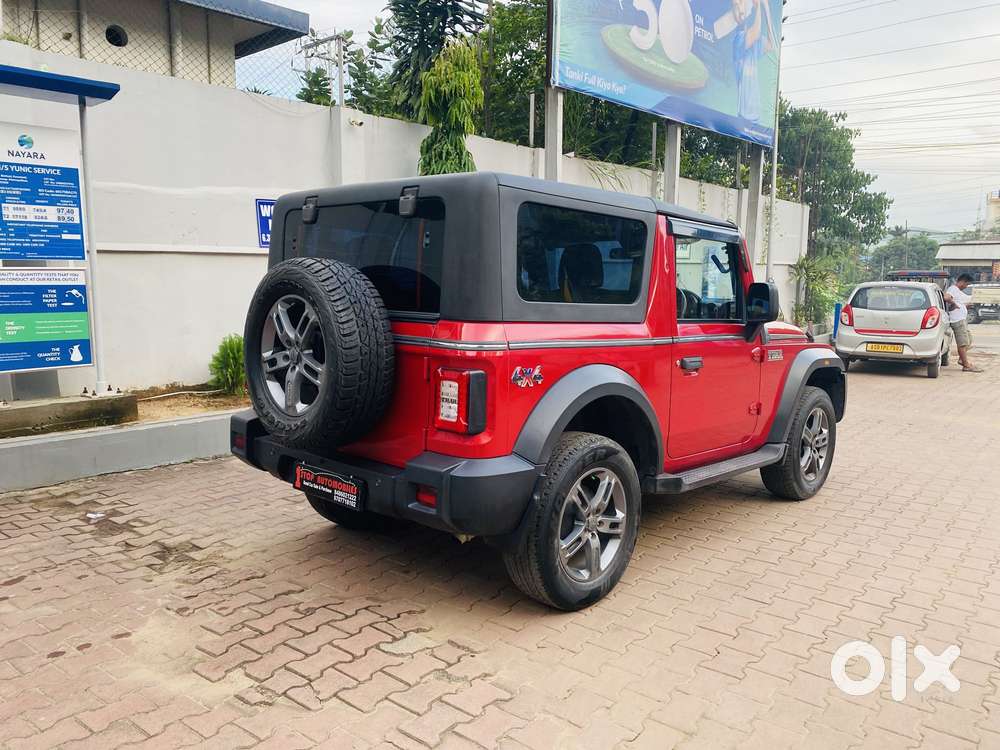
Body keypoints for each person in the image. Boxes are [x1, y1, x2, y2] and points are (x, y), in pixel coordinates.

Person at [944, 274, 982, 373]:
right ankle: (966, 365)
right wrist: (955, 304)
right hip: (957, 320)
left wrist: (963, 306)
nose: (966, 287)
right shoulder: (953, 289)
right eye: (967, 284)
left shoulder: (957, 291)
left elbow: (956, 301)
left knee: (968, 340)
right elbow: (946, 298)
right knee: (962, 343)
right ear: (963, 281)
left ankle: (962, 359)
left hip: (961, 319)